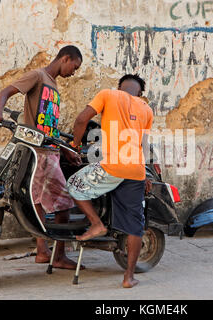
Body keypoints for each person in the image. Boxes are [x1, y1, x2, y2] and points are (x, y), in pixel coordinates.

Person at [0, 45, 84, 270]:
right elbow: (5, 92)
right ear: (65, 58)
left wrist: (64, 150)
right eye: (75, 66)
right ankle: (58, 255)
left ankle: (43, 251)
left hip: (49, 151)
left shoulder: (53, 83)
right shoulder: (37, 76)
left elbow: (48, 127)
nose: (74, 72)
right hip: (39, 153)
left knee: (39, 201)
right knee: (63, 204)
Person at [66, 74, 153, 288]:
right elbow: (143, 145)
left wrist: (74, 146)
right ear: (140, 93)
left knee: (73, 185)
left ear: (119, 87)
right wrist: (147, 174)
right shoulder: (146, 109)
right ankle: (128, 277)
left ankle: (96, 224)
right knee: (135, 225)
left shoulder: (108, 95)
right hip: (136, 170)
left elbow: (81, 120)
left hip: (111, 166)